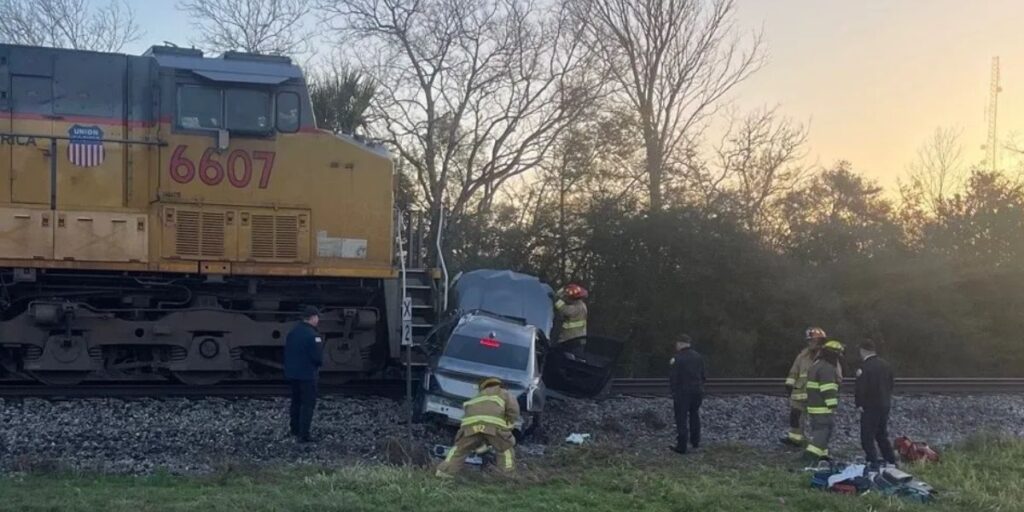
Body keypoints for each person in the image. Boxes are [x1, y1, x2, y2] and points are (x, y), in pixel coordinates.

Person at [436, 377, 520, 477]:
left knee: (459, 449)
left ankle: (444, 472)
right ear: (498, 385)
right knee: (505, 449)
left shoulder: (476, 398)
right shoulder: (504, 393)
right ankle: (508, 476)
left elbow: (468, 417)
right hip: (493, 427)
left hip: (470, 428)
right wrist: (509, 424)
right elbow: (513, 411)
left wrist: (466, 438)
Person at [781, 327, 827, 447]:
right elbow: (794, 371)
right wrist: (789, 384)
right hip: (800, 394)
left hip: (817, 394)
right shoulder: (802, 355)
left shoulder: (827, 356)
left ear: (819, 341)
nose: (810, 343)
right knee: (795, 416)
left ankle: (817, 444)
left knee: (817, 421)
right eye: (809, 341)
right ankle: (795, 439)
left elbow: (835, 375)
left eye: (812, 340)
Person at [284, 305, 323, 443]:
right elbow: (317, 358)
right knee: (307, 404)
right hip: (307, 375)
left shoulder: (293, 332)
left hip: (293, 374)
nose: (318, 320)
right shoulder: (314, 336)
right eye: (317, 317)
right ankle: (304, 435)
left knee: (295, 401)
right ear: (312, 318)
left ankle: (294, 429)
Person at [855, 339, 897, 467]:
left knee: (867, 436)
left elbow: (861, 387)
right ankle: (890, 460)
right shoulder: (886, 365)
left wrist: (859, 404)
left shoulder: (864, 367)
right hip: (884, 404)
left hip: (870, 406)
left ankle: (872, 460)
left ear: (863, 350)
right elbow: (891, 384)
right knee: (881, 434)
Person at [805, 339, 843, 461]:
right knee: (824, 430)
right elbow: (827, 388)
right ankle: (811, 456)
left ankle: (823, 455)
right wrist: (832, 404)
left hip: (814, 405)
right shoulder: (827, 368)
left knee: (820, 429)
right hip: (822, 406)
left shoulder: (816, 364)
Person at [669, 334, 706, 455]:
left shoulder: (677, 358)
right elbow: (703, 375)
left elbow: (674, 377)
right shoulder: (698, 356)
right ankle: (695, 441)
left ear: (680, 344)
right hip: (697, 391)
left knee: (681, 417)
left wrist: (673, 391)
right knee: (694, 414)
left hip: (683, 392)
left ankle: (682, 446)